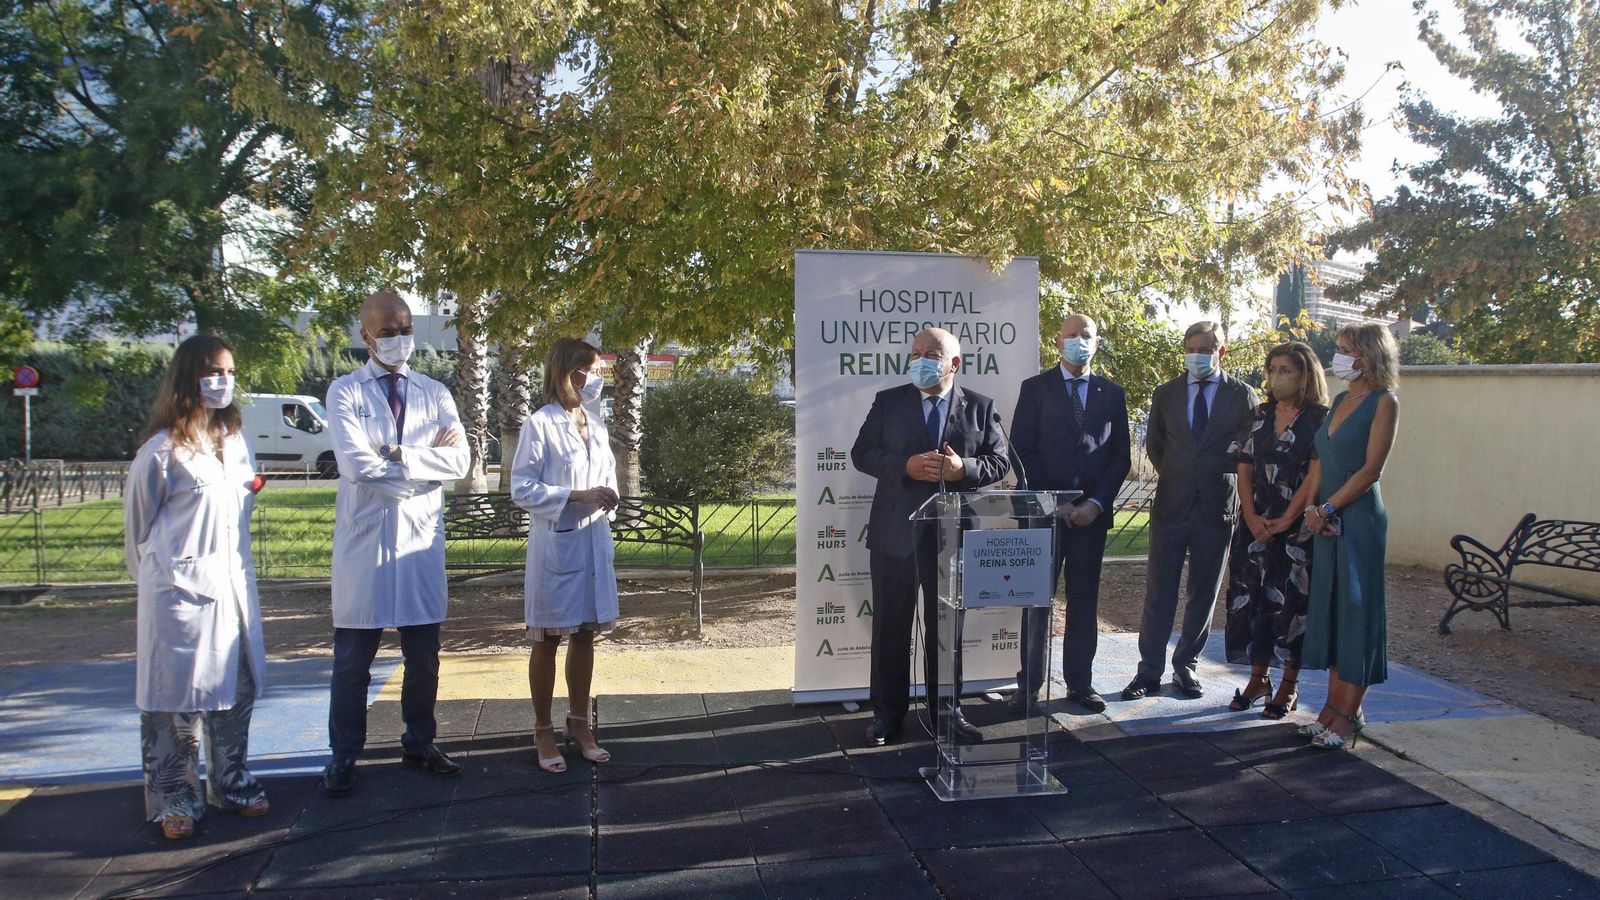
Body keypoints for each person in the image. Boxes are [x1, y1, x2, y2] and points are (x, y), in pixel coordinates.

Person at [321, 291, 471, 796]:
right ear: (365, 336)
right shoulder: (344, 392)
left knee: (424, 657)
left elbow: (461, 463)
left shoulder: (435, 392)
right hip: (365, 545)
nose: (397, 339)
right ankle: (343, 755)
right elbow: (354, 465)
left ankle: (419, 741)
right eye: (386, 331)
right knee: (352, 662)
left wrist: (397, 454)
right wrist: (423, 467)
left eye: (404, 328)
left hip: (418, 542)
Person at [124, 334, 269, 840]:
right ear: (189, 378)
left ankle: (231, 781)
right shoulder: (160, 452)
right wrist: (164, 580)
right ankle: (174, 795)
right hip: (177, 594)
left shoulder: (234, 441)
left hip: (231, 585)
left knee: (237, 688)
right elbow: (137, 534)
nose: (223, 382)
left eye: (229, 372)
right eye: (213, 372)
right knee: (175, 700)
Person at [850, 327, 1010, 746]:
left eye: (932, 353)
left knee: (946, 630)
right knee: (890, 627)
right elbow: (862, 453)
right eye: (916, 352)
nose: (921, 359)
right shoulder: (889, 402)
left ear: (953, 363)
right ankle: (887, 714)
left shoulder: (979, 406)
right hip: (894, 534)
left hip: (951, 538)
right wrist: (904, 465)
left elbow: (999, 463)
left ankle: (946, 713)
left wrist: (964, 471)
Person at [1124, 321, 1259, 701]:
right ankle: (1148, 671)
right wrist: (1181, 475)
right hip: (1171, 505)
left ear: (1222, 351)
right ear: (1184, 349)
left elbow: (1247, 452)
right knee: (1158, 593)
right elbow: (1156, 446)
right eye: (1192, 347)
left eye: (1208, 347)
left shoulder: (1243, 395)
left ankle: (1186, 665)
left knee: (1204, 592)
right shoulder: (1165, 393)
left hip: (1217, 508)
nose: (1199, 354)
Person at [1010, 314, 1132, 714]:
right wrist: (1053, 502)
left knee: (1084, 601)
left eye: (1087, 336)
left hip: (1090, 518)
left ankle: (1080, 683)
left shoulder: (1112, 393)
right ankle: (1028, 684)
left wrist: (1094, 504)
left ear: (1097, 343)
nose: (1079, 341)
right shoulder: (1035, 389)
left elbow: (1120, 457)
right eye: (1071, 335)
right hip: (1045, 514)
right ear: (1057, 342)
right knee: (1036, 600)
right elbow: (1021, 449)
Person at [509, 337, 619, 773]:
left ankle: (580, 722)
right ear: (566, 372)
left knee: (587, 632)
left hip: (592, 539)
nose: (595, 379)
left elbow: (605, 473)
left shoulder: (597, 424)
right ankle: (542, 728)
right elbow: (523, 487)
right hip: (558, 542)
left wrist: (608, 495)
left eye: (597, 370)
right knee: (548, 638)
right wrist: (576, 494)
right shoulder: (540, 424)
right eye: (588, 370)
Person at [1299, 323, 1401, 749]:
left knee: (1357, 612)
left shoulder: (1384, 403)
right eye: (1339, 349)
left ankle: (1348, 717)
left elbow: (1371, 469)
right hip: (1326, 519)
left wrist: (1328, 507)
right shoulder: (1340, 399)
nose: (1339, 357)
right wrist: (1311, 509)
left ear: (1370, 356)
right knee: (1334, 610)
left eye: (1346, 350)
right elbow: (1322, 459)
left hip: (1356, 520)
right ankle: (1331, 709)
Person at [1223, 341, 1329, 719]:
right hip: (1254, 523)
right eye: (1273, 369)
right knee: (1253, 600)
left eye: (1287, 370)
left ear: (1305, 374)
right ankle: (1257, 678)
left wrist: (1287, 519)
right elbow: (1244, 467)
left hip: (1296, 527)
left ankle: (1288, 685)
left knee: (1291, 604)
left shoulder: (1320, 418)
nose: (1277, 377)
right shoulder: (1258, 415)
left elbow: (1316, 472)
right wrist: (1250, 516)